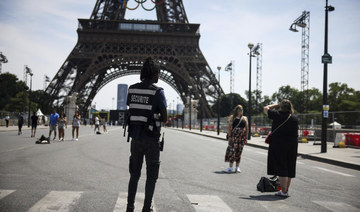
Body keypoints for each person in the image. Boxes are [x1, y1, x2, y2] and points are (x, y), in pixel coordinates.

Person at [126, 57, 167, 212]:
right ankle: (146, 208)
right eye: (158, 73)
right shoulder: (158, 92)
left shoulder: (132, 89)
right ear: (155, 74)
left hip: (135, 138)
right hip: (151, 139)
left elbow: (133, 109)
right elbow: (164, 118)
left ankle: (129, 207)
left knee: (134, 175)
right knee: (151, 176)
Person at [264, 99, 299, 197]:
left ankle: (283, 192)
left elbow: (265, 108)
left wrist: (276, 104)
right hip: (292, 146)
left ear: (281, 106)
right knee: (290, 167)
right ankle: (285, 190)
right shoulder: (294, 118)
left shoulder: (277, 115)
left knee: (282, 168)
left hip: (279, 145)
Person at [224, 105, 248, 173]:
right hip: (234, 137)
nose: (241, 111)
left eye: (241, 110)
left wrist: (246, 137)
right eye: (239, 110)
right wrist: (229, 136)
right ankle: (230, 167)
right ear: (237, 111)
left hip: (241, 137)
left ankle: (237, 167)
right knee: (232, 151)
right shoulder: (233, 118)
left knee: (239, 151)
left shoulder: (245, 118)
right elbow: (229, 127)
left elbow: (247, 128)